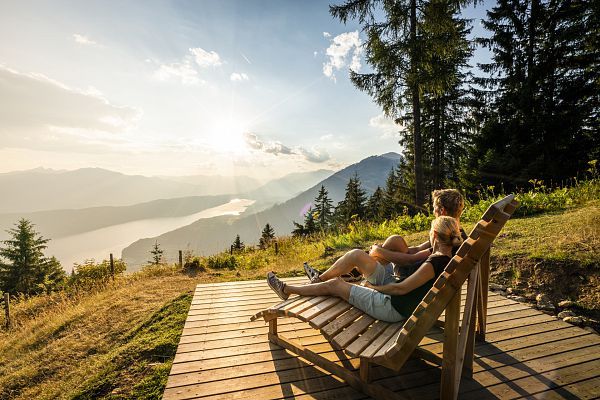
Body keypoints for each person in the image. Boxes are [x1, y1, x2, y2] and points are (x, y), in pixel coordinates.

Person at [267, 216, 464, 322]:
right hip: (397, 299)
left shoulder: (434, 263)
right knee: (356, 255)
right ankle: (317, 281)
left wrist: (371, 287)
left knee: (336, 285)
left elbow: (400, 289)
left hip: (391, 307)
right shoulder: (449, 258)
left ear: (435, 235)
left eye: (430, 233)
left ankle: (287, 290)